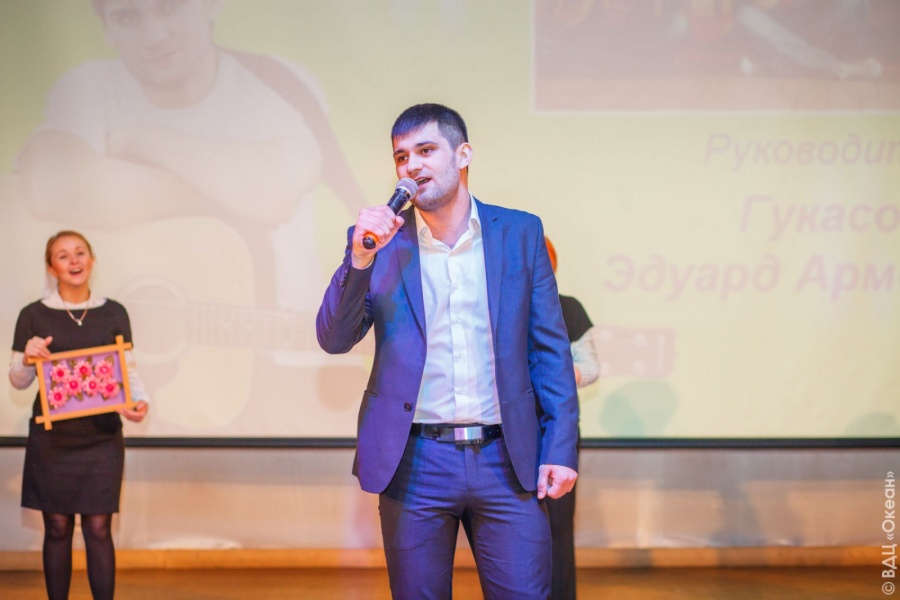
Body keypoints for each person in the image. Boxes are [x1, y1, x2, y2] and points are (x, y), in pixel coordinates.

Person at [14, 0, 367, 429]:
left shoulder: (276, 82)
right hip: (162, 379)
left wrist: (144, 140)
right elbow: (50, 185)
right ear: (105, 28)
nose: (155, 35)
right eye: (128, 17)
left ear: (211, 5)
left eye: (169, 8)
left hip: (289, 370)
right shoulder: (90, 86)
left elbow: (273, 195)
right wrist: (224, 187)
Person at [316, 103, 580, 599]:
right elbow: (334, 338)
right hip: (415, 463)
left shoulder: (519, 233)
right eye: (401, 156)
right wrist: (360, 257)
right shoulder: (380, 245)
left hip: (509, 459)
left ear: (463, 155)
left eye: (425, 150)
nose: (411, 166)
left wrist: (560, 448)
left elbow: (550, 350)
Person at [8, 230, 150, 600]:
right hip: (52, 440)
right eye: (63, 255)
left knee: (99, 528)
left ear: (92, 260)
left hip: (102, 437)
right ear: (51, 267)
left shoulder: (114, 312)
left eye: (80, 252)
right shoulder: (33, 315)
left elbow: (128, 371)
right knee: (56, 527)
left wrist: (138, 401)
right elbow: (18, 382)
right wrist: (27, 359)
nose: (74, 261)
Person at [543, 236, 600, 600]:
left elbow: (590, 367)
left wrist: (555, 373)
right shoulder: (496, 306)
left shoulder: (568, 309)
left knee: (559, 525)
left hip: (556, 432)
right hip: (505, 435)